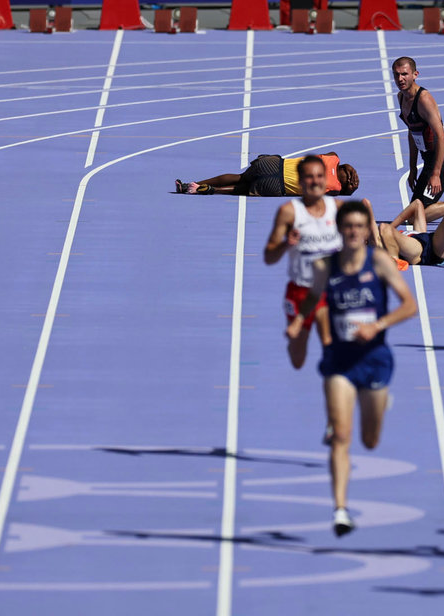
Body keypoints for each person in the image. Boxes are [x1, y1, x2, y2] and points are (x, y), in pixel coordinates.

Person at [285, 201, 418, 536]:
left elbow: (409, 306)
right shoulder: (324, 267)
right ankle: (340, 509)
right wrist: (300, 322)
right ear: (339, 230)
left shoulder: (381, 264)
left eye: (361, 226)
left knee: (370, 440)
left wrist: (378, 325)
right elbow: (314, 300)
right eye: (349, 226)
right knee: (340, 437)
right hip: (340, 361)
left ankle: (378, 400)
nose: (356, 232)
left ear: (366, 229)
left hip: (374, 359)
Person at [264, 155, 343, 370]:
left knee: (331, 345)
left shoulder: (338, 209)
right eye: (309, 177)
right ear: (300, 182)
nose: (315, 181)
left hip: (329, 292)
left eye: (320, 176)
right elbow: (268, 257)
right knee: (298, 360)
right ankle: (297, 336)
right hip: (300, 290)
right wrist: (285, 244)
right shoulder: (289, 212)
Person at [392, 57, 444, 221]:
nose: (400, 79)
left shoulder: (423, 99)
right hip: (428, 161)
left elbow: (442, 137)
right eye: (396, 75)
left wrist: (436, 174)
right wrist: (412, 167)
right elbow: (411, 132)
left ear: (415, 74)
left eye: (404, 74)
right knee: (414, 213)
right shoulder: (401, 97)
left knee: (414, 217)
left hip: (442, 163)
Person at [176, 152, 359, 197]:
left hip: (273, 165)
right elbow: (344, 192)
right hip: (279, 186)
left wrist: (348, 170)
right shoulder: (332, 188)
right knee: (241, 189)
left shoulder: (332, 159)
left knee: (239, 177)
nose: (353, 176)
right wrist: (349, 185)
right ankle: (213, 190)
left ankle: (190, 183)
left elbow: (341, 161)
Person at [370, 191, 444, 269]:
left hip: (432, 242)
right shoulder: (379, 241)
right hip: (417, 249)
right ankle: (394, 260)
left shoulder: (396, 232)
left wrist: (392, 227)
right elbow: (367, 205)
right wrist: (386, 231)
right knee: (383, 227)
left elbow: (417, 204)